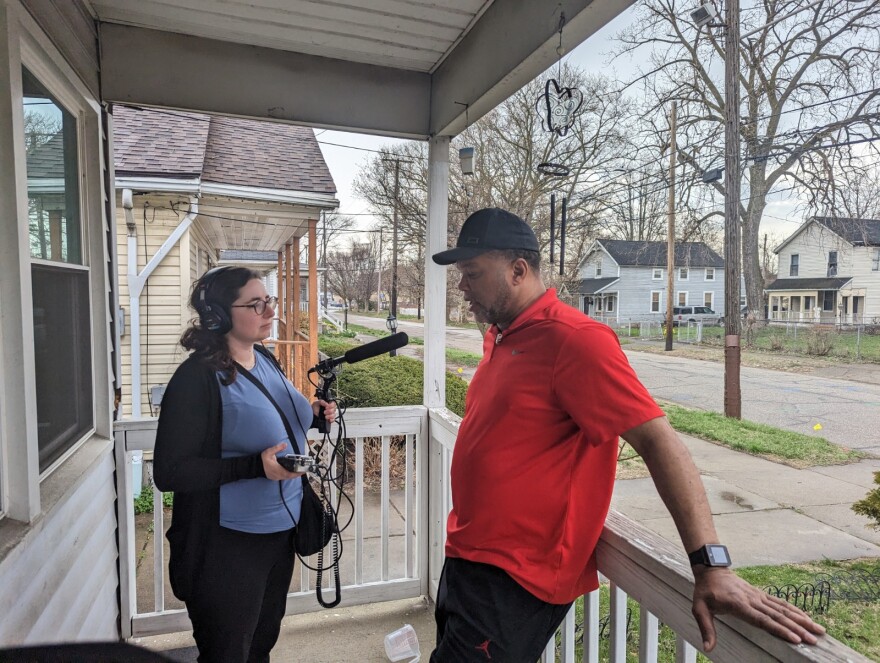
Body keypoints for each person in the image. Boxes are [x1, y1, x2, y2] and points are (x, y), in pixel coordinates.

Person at [429, 208, 825, 662]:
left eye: (472, 274)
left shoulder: (575, 340)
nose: (461, 287)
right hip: (468, 555)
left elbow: (659, 441)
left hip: (516, 578)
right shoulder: (503, 336)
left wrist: (711, 564)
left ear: (518, 271)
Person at [154, 266, 336, 662]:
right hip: (227, 546)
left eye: (268, 301)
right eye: (256, 305)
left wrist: (313, 415)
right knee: (227, 653)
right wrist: (254, 467)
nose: (270, 311)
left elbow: (272, 415)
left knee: (260, 645)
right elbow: (169, 472)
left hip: (280, 535)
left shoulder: (264, 358)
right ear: (219, 316)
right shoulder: (196, 379)